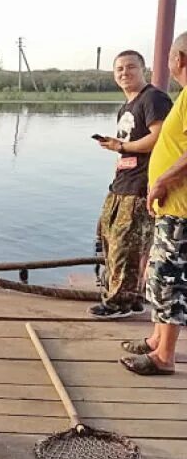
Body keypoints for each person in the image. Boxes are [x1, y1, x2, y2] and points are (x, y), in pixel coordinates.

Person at [120, 32, 187, 375]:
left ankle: (165, 357)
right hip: (171, 207)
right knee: (158, 276)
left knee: (168, 279)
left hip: (181, 209)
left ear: (180, 59)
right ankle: (157, 340)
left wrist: (162, 180)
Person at [89, 50, 172, 319]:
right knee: (108, 237)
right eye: (119, 69)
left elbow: (159, 137)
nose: (124, 73)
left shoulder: (154, 98)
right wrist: (118, 149)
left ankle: (120, 303)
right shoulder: (126, 106)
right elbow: (128, 149)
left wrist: (121, 145)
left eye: (130, 67)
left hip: (141, 184)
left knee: (127, 243)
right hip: (122, 183)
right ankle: (132, 297)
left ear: (143, 69)